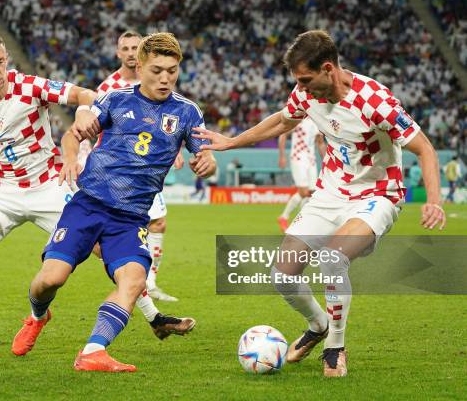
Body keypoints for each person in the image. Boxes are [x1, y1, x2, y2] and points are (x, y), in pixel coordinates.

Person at [0, 30, 191, 354]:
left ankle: (154, 318)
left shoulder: (29, 86)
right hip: (0, 191)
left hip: (48, 185)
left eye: (1, 61)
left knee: (109, 249)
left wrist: (85, 114)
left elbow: (83, 95)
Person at [194, 30, 445, 377]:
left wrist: (435, 201)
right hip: (329, 194)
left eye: (306, 79)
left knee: (332, 258)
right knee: (281, 274)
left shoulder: (375, 101)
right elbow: (283, 120)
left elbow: (425, 149)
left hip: (377, 195)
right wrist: (230, 142)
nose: (302, 87)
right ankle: (318, 325)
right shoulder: (306, 94)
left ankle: (335, 347)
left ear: (329, 68)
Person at [11, 32, 217, 372]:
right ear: (140, 67)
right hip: (88, 205)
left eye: (172, 70)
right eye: (157, 70)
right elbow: (73, 132)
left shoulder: (187, 112)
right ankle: (37, 316)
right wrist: (70, 155)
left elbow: (204, 155)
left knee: (134, 282)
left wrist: (207, 163)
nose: (165, 78)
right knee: (51, 279)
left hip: (131, 218)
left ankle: (92, 352)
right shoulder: (115, 99)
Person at [96, 30, 182, 302]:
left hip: (150, 168)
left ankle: (150, 282)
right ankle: (138, 284)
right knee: (129, 228)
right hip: (119, 170)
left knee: (158, 224)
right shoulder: (109, 87)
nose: (131, 52)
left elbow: (170, 118)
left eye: (136, 47)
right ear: (118, 53)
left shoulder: (158, 80)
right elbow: (96, 127)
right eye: (126, 48)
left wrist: (176, 149)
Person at [277, 117, 325, 232]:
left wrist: (326, 160)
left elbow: (320, 143)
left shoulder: (317, 120)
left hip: (311, 160)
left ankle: (301, 222)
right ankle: (284, 217)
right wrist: (282, 156)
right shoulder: (298, 119)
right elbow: (283, 135)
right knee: (304, 192)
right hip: (298, 158)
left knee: (311, 193)